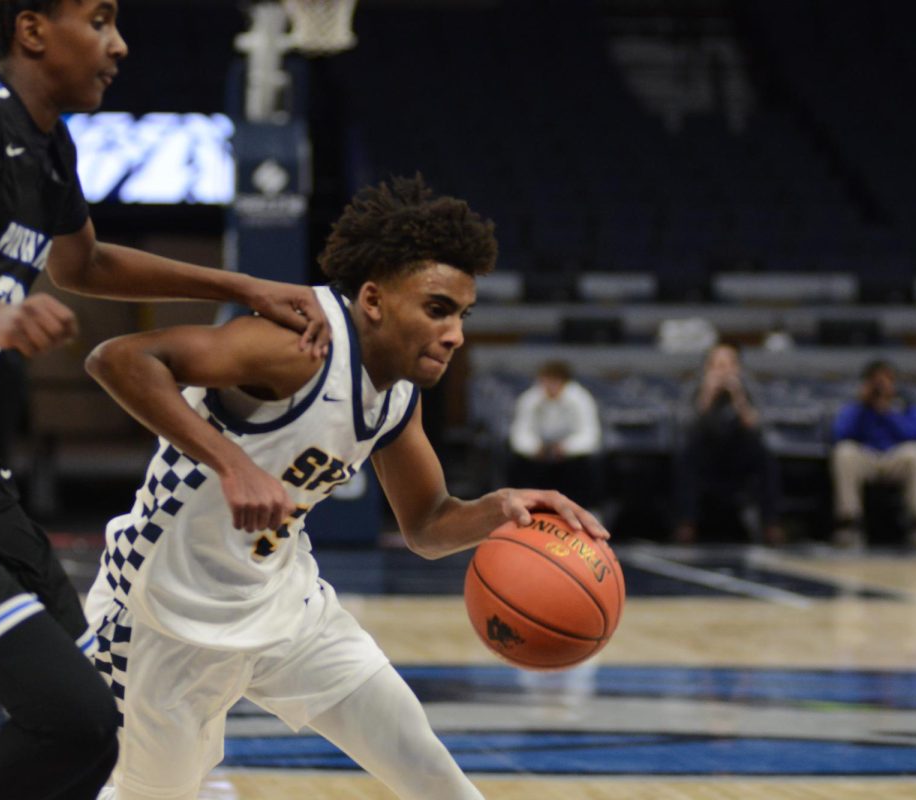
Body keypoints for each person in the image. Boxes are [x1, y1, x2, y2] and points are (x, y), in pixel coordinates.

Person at [0, 3, 331, 799]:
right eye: (100, 21)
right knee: (74, 720)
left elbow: (84, 266)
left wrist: (240, 284)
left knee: (100, 709)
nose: (120, 45)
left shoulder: (50, 146)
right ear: (32, 30)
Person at [82, 175, 609, 800]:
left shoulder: (398, 398)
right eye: (437, 309)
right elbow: (118, 359)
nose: (456, 334)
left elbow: (428, 525)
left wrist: (500, 510)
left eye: (463, 316)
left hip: (285, 606)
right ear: (374, 299)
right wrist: (233, 463)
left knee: (428, 768)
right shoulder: (298, 346)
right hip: (163, 613)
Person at [672, 342, 783, 545]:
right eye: (717, 365)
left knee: (765, 455)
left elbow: (759, 427)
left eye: (729, 364)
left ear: (738, 368)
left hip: (738, 457)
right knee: (686, 454)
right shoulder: (695, 388)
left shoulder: (748, 388)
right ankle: (687, 523)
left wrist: (738, 397)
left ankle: (770, 524)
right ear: (707, 368)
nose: (723, 370)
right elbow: (685, 426)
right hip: (706, 456)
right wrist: (707, 395)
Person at [831, 359, 916, 549]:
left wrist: (887, 411)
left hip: (895, 458)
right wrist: (863, 406)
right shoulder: (856, 406)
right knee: (844, 452)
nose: (880, 386)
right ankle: (849, 522)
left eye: (885, 380)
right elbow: (841, 433)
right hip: (867, 457)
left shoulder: (905, 403)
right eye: (875, 381)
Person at [507, 359, 603, 510]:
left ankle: (585, 511)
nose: (550, 385)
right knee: (515, 462)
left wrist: (566, 448)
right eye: (546, 380)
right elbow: (519, 434)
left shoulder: (581, 399)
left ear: (565, 382)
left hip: (570, 459)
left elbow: (590, 436)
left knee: (588, 466)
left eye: (555, 381)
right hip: (538, 457)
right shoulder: (529, 399)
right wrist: (535, 448)